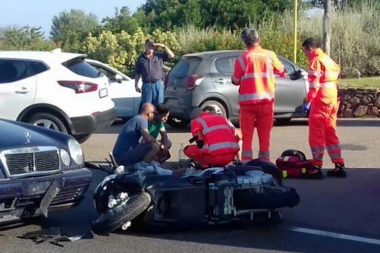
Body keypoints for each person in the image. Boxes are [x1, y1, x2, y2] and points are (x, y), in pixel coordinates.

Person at [231, 28, 287, 164]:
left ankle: (246, 163)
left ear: (245, 43)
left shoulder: (242, 59)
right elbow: (282, 71)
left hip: (247, 104)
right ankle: (265, 162)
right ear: (259, 40)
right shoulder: (270, 55)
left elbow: (236, 80)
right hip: (266, 103)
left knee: (247, 136)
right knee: (264, 136)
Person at [301, 38, 346, 178]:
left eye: (305, 51)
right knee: (330, 131)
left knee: (316, 133)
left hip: (321, 99)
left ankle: (316, 166)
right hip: (332, 98)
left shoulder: (316, 60)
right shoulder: (328, 59)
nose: (305, 54)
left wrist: (309, 100)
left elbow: (314, 84)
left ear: (310, 48)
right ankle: (339, 164)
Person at [112, 103, 174, 175]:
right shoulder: (142, 120)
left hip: (122, 154)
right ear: (149, 114)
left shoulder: (137, 119)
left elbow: (163, 136)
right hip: (123, 156)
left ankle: (145, 164)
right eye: (154, 113)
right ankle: (140, 171)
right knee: (155, 146)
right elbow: (148, 138)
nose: (155, 115)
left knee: (161, 144)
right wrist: (161, 145)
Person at [134, 39, 175, 107]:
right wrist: (136, 84)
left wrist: (163, 46)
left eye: (152, 46)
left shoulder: (159, 56)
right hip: (147, 85)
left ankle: (158, 118)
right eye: (149, 45)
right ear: (145, 46)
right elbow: (137, 72)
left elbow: (172, 55)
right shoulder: (141, 58)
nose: (151, 47)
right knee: (147, 107)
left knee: (159, 107)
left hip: (158, 84)